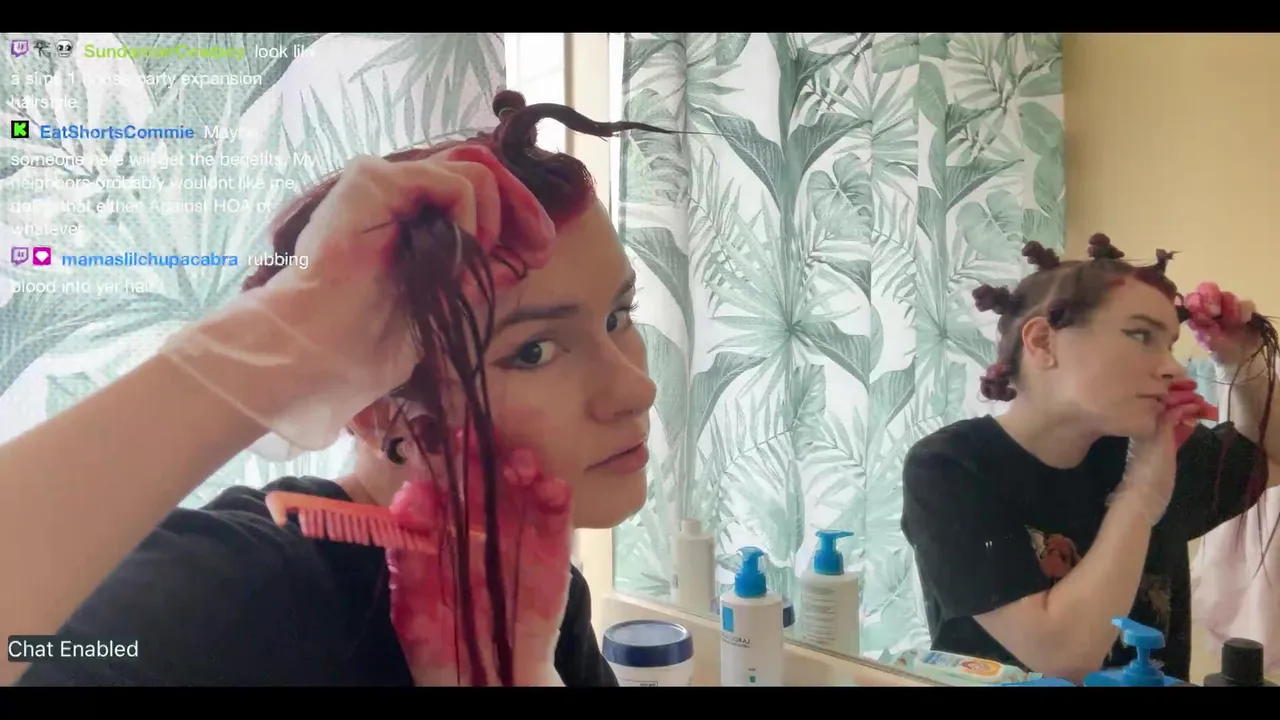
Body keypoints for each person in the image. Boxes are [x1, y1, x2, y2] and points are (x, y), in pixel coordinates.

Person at [1, 91, 661, 686]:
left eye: (618, 317)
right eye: (534, 350)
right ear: (375, 411)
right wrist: (262, 351)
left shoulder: (538, 594)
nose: (636, 390)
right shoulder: (242, 589)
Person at [901, 234, 1280, 684]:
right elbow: (1063, 656)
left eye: (1170, 343)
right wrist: (1141, 493)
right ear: (1043, 342)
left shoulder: (1153, 446)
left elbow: (1269, 457)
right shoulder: (951, 468)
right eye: (1141, 335)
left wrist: (1240, 358)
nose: (1174, 368)